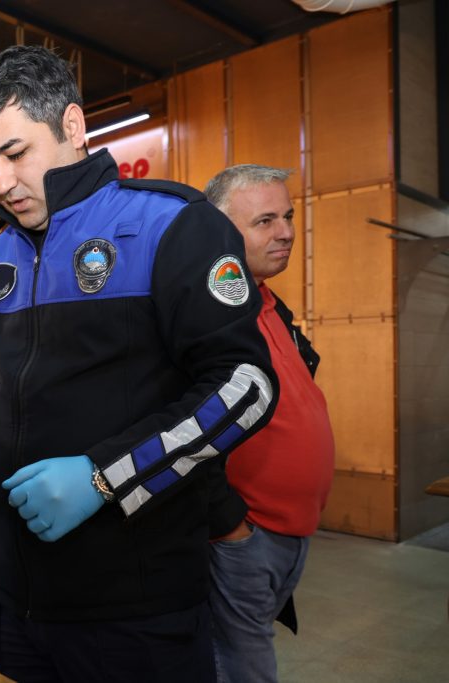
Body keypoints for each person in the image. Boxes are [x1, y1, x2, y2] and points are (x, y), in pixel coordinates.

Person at [0, 45, 278, 682]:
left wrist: (103, 477)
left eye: (15, 154)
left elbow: (245, 386)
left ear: (71, 126)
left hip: (135, 604)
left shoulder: (173, 226)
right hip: (12, 595)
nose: (1, 183)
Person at [204, 164, 335, 683]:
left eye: (288, 216)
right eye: (265, 221)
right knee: (241, 666)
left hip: (290, 532)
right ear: (219, 232)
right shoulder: (207, 313)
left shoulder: (269, 304)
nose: (285, 232)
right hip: (244, 535)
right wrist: (230, 526)